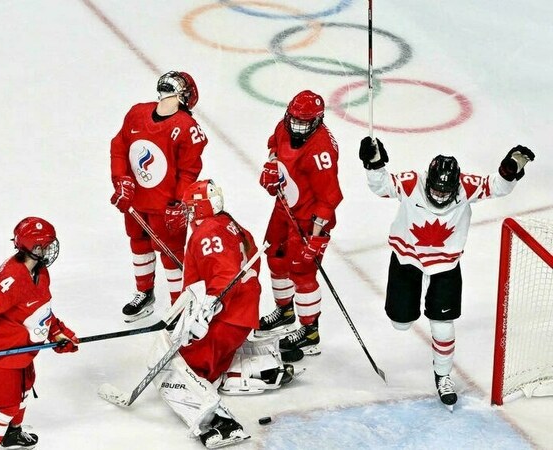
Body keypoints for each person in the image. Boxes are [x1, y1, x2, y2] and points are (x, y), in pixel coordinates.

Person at [359, 136, 535, 410]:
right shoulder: (411, 183)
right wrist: (373, 163)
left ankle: (443, 376)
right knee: (400, 322)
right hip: (408, 259)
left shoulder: (466, 186)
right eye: (437, 191)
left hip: (446, 265)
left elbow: (497, 187)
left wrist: (510, 168)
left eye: (445, 192)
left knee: (443, 325)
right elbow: (381, 186)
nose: (440, 196)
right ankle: (405, 317)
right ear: (428, 181)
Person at [153, 180, 292, 449]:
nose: (187, 213)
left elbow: (224, 275)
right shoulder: (228, 223)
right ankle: (259, 368)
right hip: (239, 315)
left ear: (204, 207)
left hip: (226, 319)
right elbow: (250, 260)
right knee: (205, 361)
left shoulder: (207, 233)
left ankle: (218, 421)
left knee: (176, 371)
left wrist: (209, 308)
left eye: (191, 208)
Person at [0, 217, 79, 450]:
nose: (49, 249)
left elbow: (38, 308)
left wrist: (56, 332)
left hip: (22, 351)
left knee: (23, 392)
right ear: (31, 248)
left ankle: (12, 435)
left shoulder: (39, 271)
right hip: (3, 355)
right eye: (43, 246)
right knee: (4, 408)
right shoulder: (13, 279)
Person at [109, 70, 207, 322]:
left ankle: (179, 305)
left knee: (170, 251)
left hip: (165, 204)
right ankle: (145, 293)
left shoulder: (188, 128)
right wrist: (120, 180)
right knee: (138, 242)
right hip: (136, 198)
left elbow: (189, 170)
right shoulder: (137, 113)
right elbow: (119, 146)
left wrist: (179, 202)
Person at [255, 90, 343, 360]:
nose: (297, 127)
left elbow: (329, 199)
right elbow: (274, 144)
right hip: (284, 207)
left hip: (309, 219)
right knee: (274, 255)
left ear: (317, 121)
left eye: (304, 123)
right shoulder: (284, 126)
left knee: (302, 272)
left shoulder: (321, 151)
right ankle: (285, 311)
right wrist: (272, 166)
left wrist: (316, 238)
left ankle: (309, 330)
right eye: (294, 120)